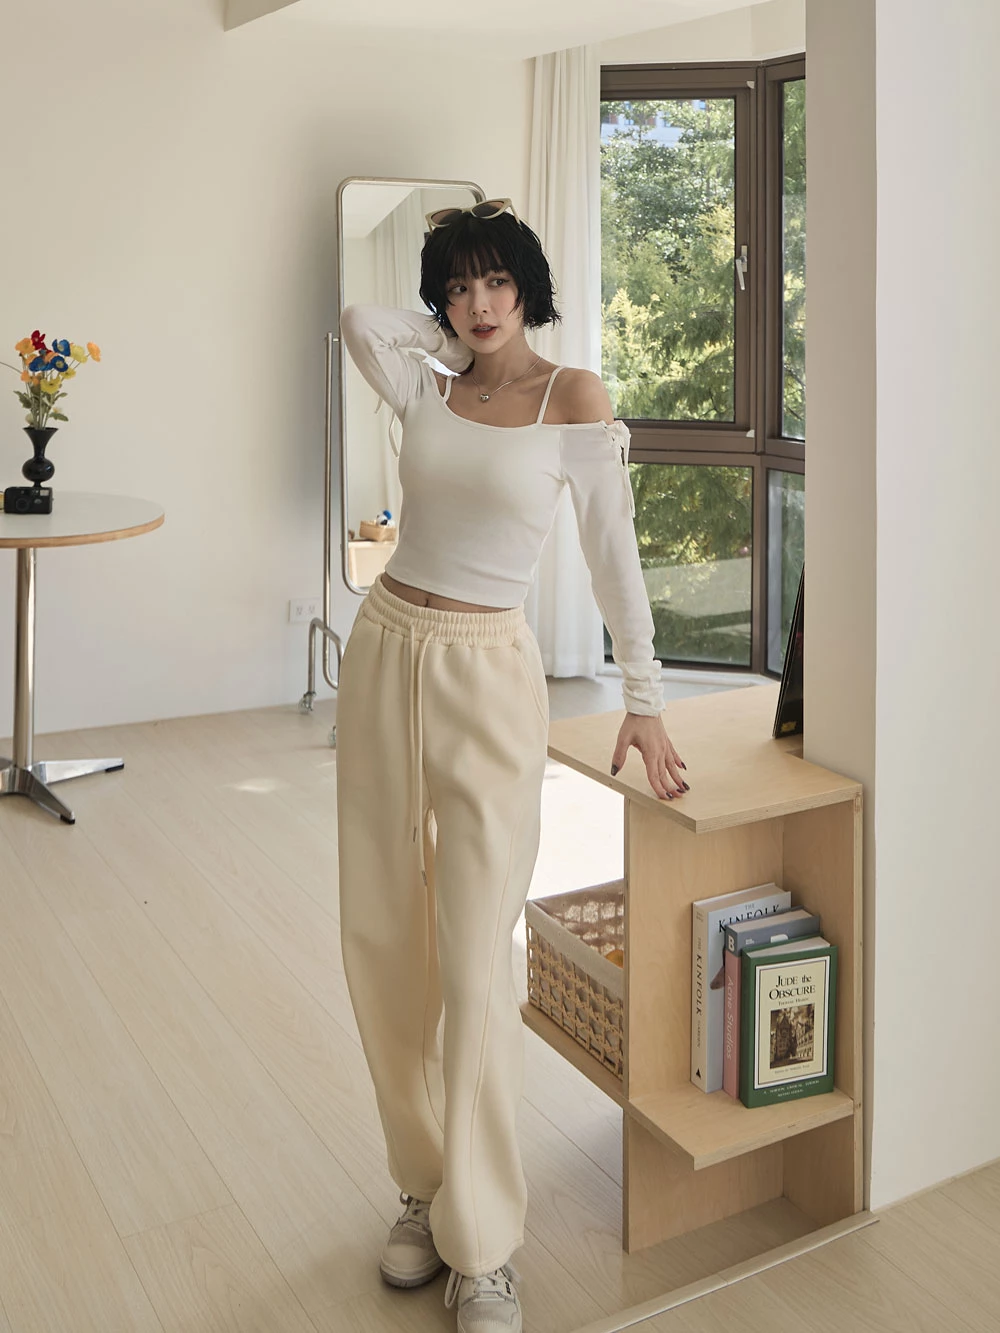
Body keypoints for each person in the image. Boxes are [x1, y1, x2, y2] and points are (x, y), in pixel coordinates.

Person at [336, 198, 689, 1333]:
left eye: (495, 283)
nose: (476, 304)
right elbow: (360, 319)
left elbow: (613, 556)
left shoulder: (571, 398)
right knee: (383, 933)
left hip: (488, 668)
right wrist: (446, 339)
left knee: (478, 948)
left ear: (530, 288)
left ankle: (482, 1241)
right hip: (385, 647)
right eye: (456, 287)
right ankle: (424, 1183)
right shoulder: (429, 385)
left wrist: (643, 700)